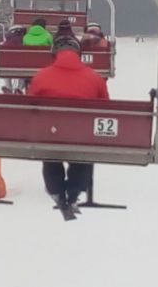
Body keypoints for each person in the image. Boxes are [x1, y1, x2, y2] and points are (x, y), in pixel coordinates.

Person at [28, 34, 109, 211]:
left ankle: (56, 190)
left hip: (50, 133)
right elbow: (105, 106)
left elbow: (30, 105)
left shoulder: (42, 76)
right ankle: (74, 191)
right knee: (84, 153)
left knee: (50, 153)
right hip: (82, 135)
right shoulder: (94, 77)